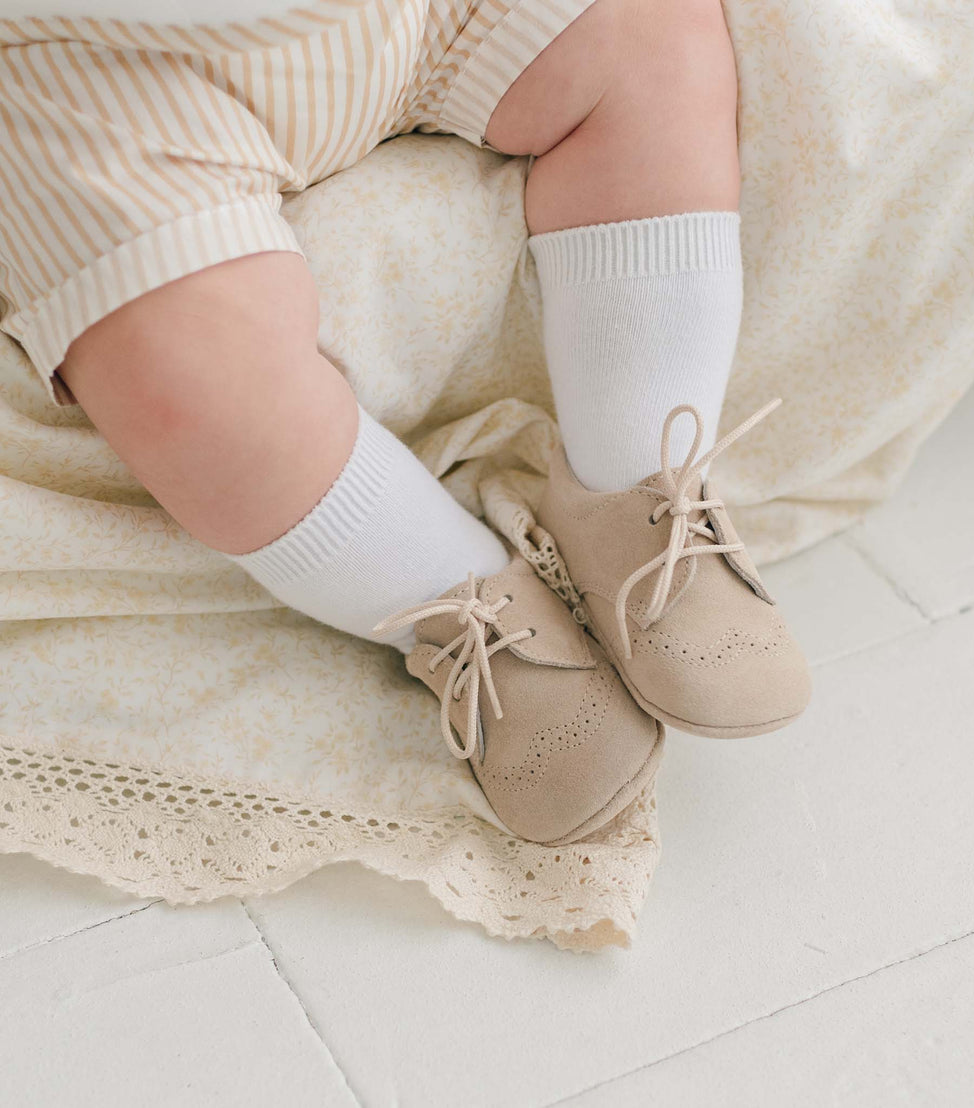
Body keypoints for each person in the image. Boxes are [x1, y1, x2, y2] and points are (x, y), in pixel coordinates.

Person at [0, 0, 809, 846]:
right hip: (101, 72)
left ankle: (636, 484)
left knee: (649, 38)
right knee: (180, 371)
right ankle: (464, 606)